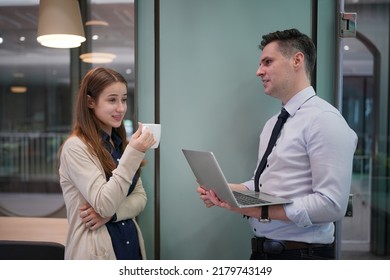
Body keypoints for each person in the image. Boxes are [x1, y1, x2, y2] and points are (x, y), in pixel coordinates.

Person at [197, 28, 358, 260]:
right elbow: (264, 186)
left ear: (297, 60)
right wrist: (226, 190)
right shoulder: (273, 123)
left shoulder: (325, 120)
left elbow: (332, 205)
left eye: (267, 62)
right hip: (264, 253)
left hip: (303, 258)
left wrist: (256, 210)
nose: (258, 71)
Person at [58, 67, 156, 260]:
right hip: (96, 253)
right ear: (90, 101)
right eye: (112, 100)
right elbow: (104, 204)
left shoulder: (118, 144)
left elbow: (140, 197)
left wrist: (111, 216)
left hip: (129, 248)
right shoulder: (75, 148)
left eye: (124, 99)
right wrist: (134, 153)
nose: (121, 108)